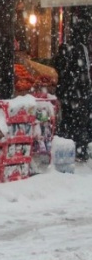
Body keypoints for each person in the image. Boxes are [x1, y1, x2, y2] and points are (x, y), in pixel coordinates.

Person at [53, 24, 92, 162]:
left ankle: (73, 149)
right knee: (79, 124)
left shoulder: (73, 49)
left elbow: (64, 70)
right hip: (79, 95)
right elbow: (80, 74)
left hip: (73, 95)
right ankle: (78, 151)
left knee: (72, 123)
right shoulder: (81, 49)